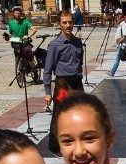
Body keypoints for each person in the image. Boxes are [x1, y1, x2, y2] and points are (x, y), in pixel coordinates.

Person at [44, 10, 84, 154]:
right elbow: (47, 70)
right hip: (62, 83)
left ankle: (77, 141)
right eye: (64, 22)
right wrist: (47, 92)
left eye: (70, 22)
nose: (68, 25)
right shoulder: (55, 45)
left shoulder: (78, 42)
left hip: (76, 81)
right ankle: (55, 147)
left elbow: (80, 61)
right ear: (59, 24)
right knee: (59, 115)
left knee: (80, 112)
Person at [8, 6, 40, 75]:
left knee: (29, 57)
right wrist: (8, 36)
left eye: (19, 13)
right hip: (16, 43)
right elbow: (10, 33)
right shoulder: (11, 22)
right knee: (17, 56)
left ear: (21, 14)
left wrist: (28, 36)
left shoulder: (25, 21)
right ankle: (20, 70)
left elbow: (34, 29)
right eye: (16, 13)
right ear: (13, 14)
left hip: (25, 43)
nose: (17, 15)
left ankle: (35, 72)